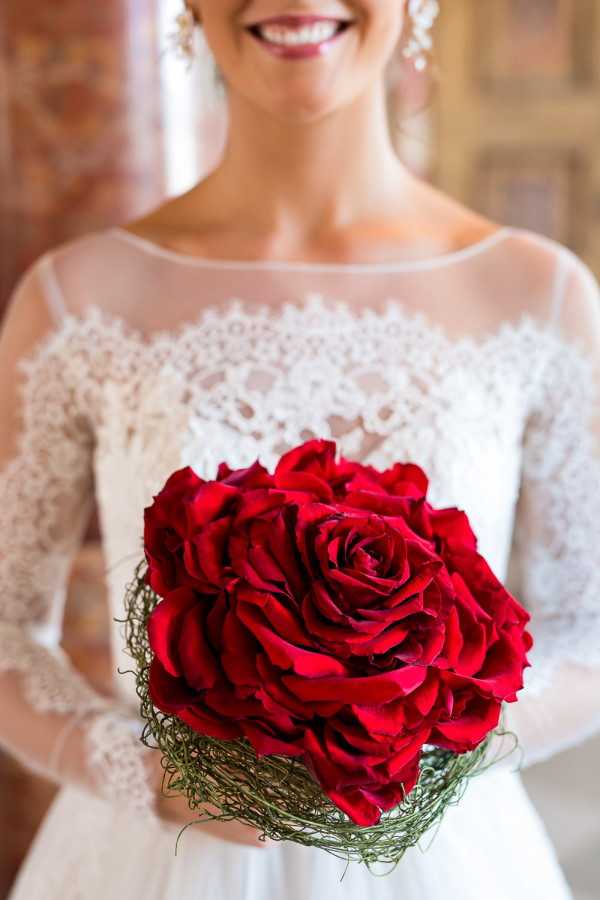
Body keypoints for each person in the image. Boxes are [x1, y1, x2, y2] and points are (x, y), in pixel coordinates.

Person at [2, 2, 599, 898]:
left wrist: (417, 748)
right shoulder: (79, 298)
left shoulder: (537, 295)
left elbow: (588, 634)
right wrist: (149, 779)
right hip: (153, 863)